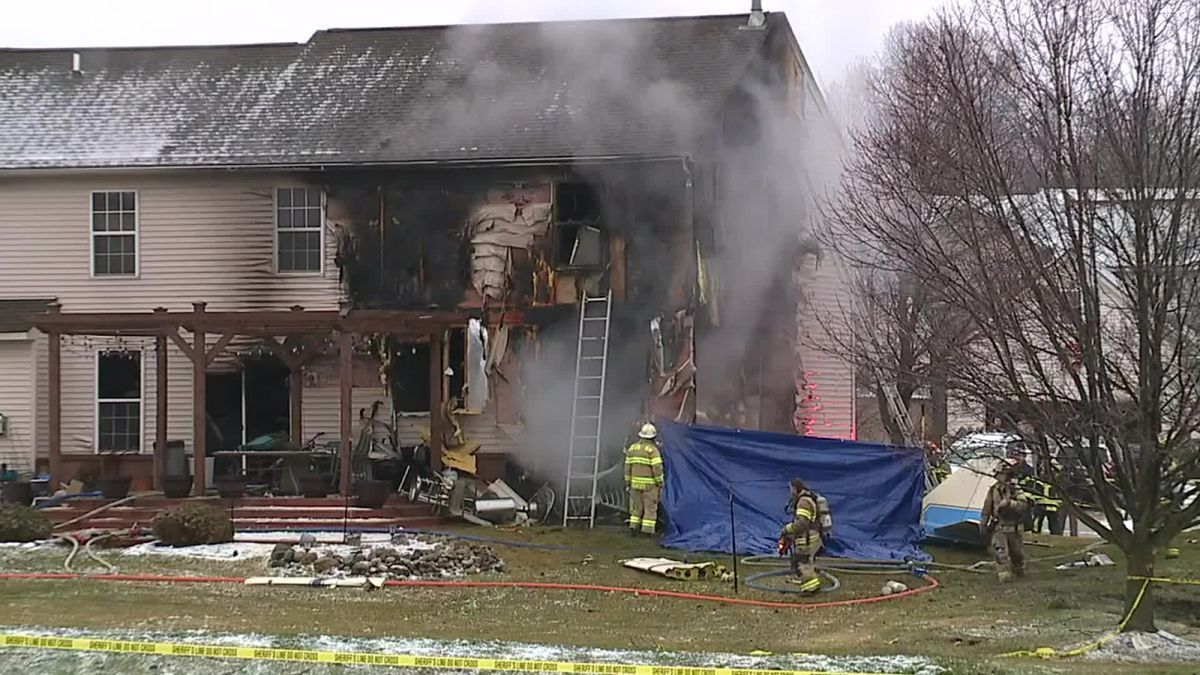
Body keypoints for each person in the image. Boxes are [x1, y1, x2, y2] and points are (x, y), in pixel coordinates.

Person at [981, 458, 1031, 582]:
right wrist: (983, 522)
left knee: (1017, 554)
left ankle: (1018, 570)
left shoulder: (1016, 489)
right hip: (999, 528)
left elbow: (1024, 505)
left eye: (1001, 475)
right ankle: (1003, 574)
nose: (999, 477)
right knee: (1001, 552)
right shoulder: (993, 490)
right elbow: (987, 508)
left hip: (1014, 528)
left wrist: (1009, 503)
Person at [779, 478, 823, 594]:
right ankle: (810, 584)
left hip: (807, 539)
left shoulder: (803, 502)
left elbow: (802, 523)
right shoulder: (808, 499)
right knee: (806, 562)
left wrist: (787, 529)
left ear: (794, 488)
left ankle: (811, 588)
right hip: (812, 537)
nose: (790, 492)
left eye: (791, 489)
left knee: (801, 563)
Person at [625, 423, 664, 537]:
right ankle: (646, 533)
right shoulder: (652, 450)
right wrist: (660, 482)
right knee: (650, 509)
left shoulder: (632, 448)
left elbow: (627, 467)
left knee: (636, 508)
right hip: (649, 486)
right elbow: (657, 468)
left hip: (634, 485)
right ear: (653, 437)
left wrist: (628, 483)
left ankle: (633, 529)